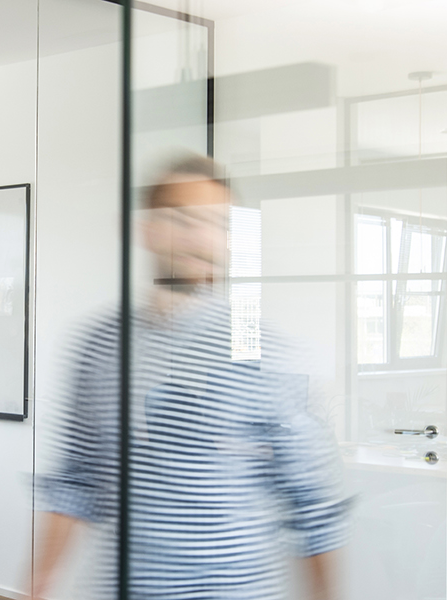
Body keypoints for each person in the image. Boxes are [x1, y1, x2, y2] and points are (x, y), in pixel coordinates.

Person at [31, 155, 349, 600]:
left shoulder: (264, 350)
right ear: (147, 228)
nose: (202, 237)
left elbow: (313, 504)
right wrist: (38, 582)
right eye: (184, 219)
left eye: (218, 223)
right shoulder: (100, 346)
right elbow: (74, 480)